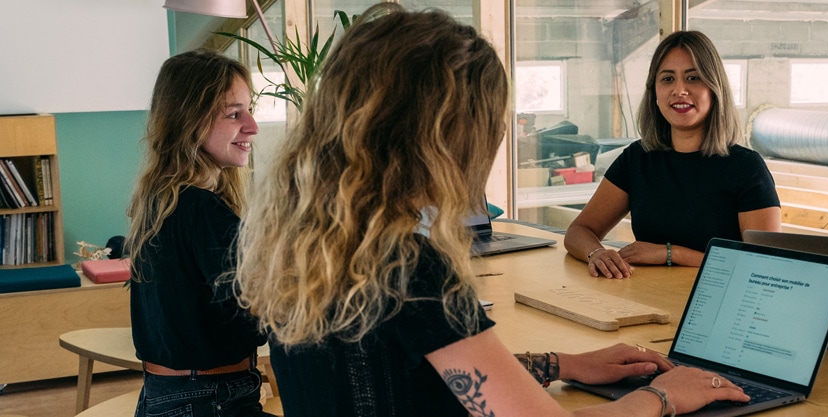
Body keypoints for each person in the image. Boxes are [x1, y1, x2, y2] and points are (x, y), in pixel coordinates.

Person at [232, 5, 750, 417]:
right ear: (446, 137)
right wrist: (666, 395)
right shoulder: (410, 270)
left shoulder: (306, 246)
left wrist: (559, 364)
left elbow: (424, 368)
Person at [564, 31, 781, 279]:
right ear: (654, 92)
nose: (680, 90)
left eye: (693, 78)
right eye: (667, 79)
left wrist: (673, 254)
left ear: (714, 88)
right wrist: (597, 254)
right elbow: (579, 230)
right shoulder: (637, 158)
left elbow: (765, 266)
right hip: (646, 302)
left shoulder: (746, 167)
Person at [126, 49, 270, 416]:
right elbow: (263, 314)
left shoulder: (162, 200)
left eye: (249, 110)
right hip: (209, 399)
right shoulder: (203, 211)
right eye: (235, 114)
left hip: (167, 396)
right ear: (191, 120)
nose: (252, 126)